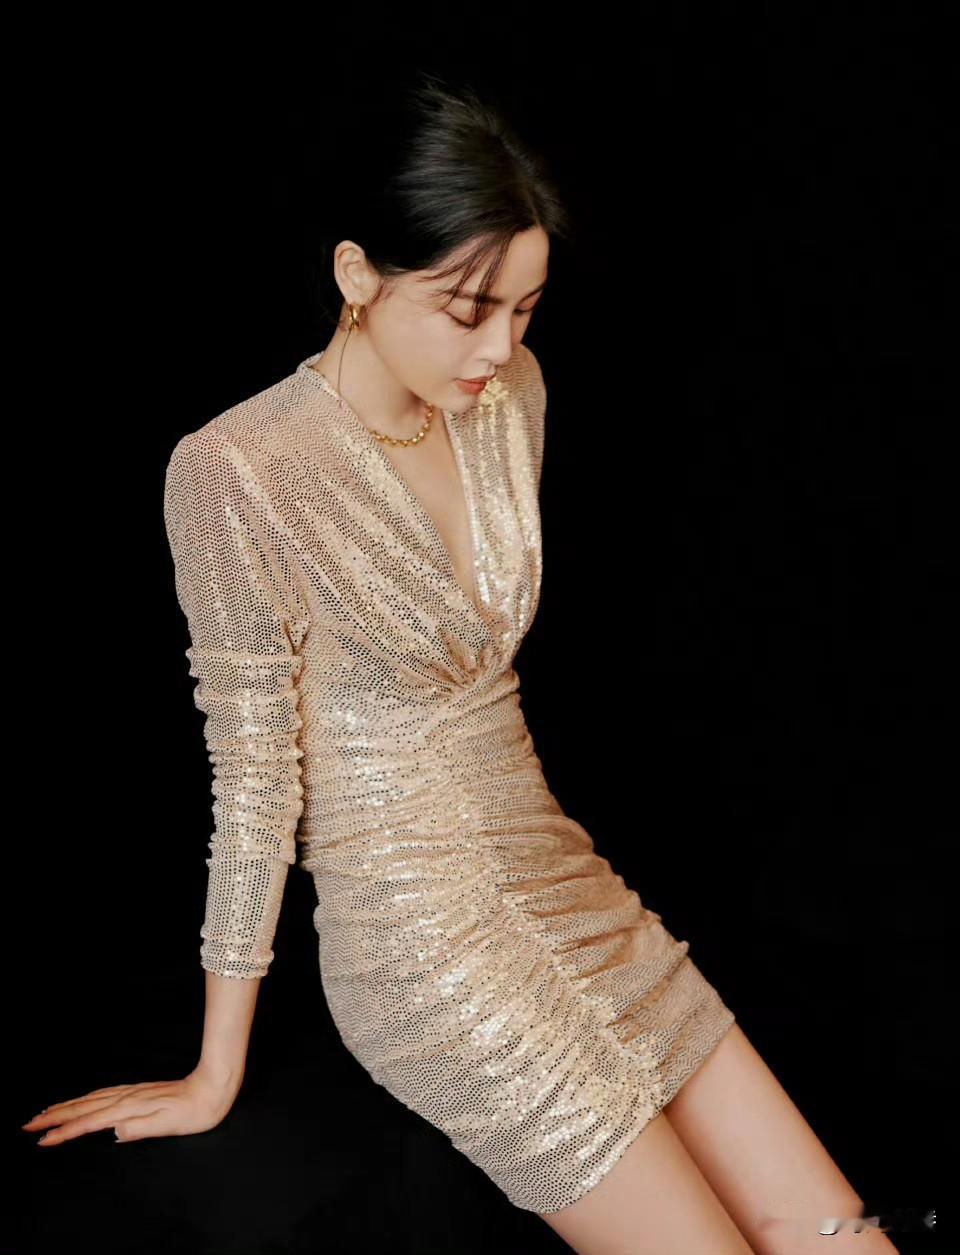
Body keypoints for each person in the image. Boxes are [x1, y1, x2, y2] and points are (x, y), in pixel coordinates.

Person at [21, 72, 899, 1255]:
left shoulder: (510, 396)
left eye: (525, 308)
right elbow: (254, 774)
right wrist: (214, 1068)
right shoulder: (236, 469)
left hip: (566, 880)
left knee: (845, 1241)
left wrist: (495, 347)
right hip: (421, 947)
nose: (499, 345)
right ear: (356, 275)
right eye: (467, 308)